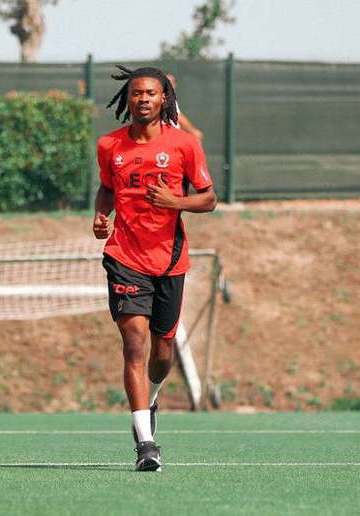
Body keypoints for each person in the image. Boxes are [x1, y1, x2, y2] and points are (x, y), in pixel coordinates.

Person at [92, 65, 216, 471]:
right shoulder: (109, 145)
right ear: (127, 99)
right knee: (134, 344)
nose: (143, 99)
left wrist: (175, 203)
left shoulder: (184, 145)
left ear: (164, 100)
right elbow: (107, 187)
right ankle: (145, 443)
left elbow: (208, 199)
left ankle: (153, 393)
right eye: (136, 93)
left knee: (162, 353)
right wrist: (100, 214)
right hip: (124, 258)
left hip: (170, 261)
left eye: (150, 93)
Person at [165, 73, 204, 141]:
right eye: (166, 83)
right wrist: (193, 131)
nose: (169, 86)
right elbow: (178, 117)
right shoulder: (163, 98)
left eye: (172, 83)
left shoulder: (170, 97)